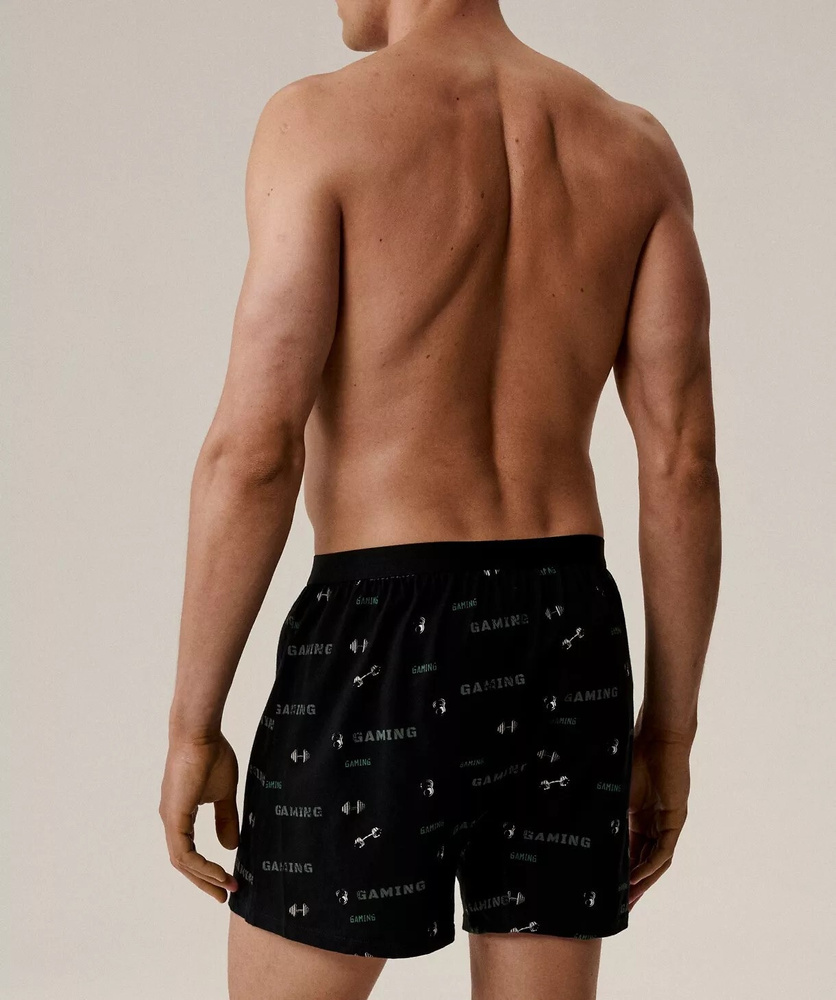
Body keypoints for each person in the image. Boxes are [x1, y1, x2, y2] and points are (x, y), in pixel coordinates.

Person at [158, 1, 721, 997]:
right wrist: (667, 733)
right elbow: (680, 463)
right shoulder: (633, 148)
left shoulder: (316, 123)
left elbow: (253, 451)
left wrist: (191, 727)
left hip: (382, 632)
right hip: (568, 636)